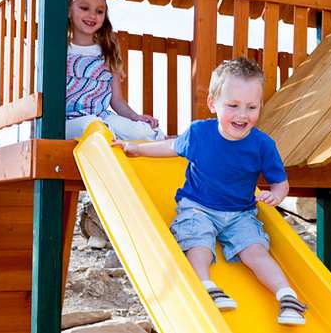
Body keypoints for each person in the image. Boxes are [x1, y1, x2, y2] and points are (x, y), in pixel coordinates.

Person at [115, 57, 306, 325]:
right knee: (197, 237)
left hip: (240, 213)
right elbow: (170, 148)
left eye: (251, 107)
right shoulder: (199, 133)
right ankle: (205, 284)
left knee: (255, 250)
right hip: (197, 206)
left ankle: (286, 296)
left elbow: (280, 182)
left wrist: (276, 195)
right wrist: (136, 148)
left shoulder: (263, 144)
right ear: (212, 104)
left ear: (260, 106)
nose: (242, 115)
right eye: (233, 106)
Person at [66, 0, 165, 141]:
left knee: (143, 132)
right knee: (95, 126)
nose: (92, 15)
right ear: (69, 10)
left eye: (99, 11)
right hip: (69, 121)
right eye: (84, 8)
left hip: (102, 116)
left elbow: (117, 99)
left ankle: (171, 147)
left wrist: (135, 117)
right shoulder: (62, 50)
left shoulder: (107, 51)